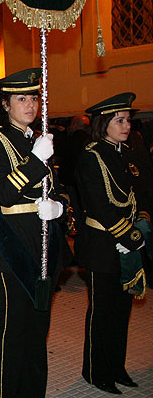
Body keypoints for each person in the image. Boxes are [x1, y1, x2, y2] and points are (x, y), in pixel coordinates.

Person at [0, 68, 68, 398]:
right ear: (5, 103)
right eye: (21, 98)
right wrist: (35, 161)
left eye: (34, 98)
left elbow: (59, 189)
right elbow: (2, 192)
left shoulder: (38, 138)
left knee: (38, 327)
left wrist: (59, 209)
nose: (30, 104)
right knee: (14, 329)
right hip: (12, 244)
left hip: (45, 242)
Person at [76, 92, 151, 395]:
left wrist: (142, 224)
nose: (126, 125)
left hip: (128, 242)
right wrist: (131, 236)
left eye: (128, 120)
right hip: (102, 245)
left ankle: (116, 366)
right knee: (102, 312)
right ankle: (95, 371)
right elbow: (98, 204)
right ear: (104, 123)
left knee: (122, 311)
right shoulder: (91, 156)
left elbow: (142, 192)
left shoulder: (126, 153)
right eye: (120, 120)